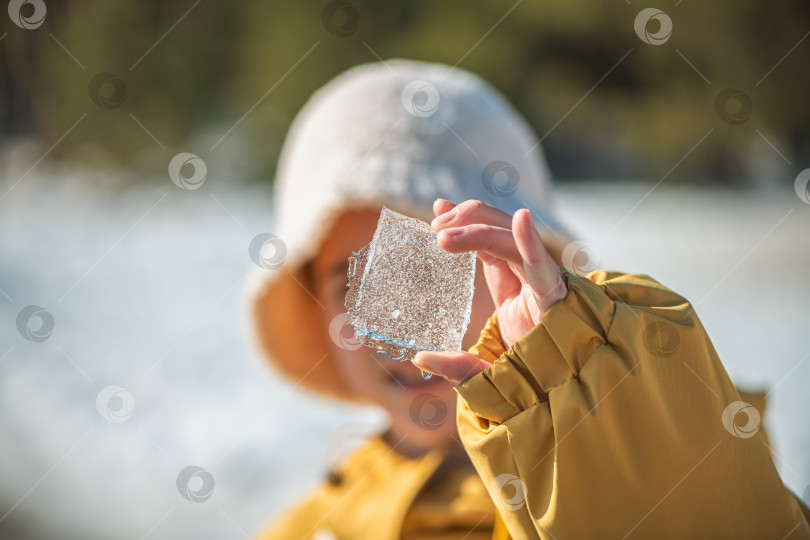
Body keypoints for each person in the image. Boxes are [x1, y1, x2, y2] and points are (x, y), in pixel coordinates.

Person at [248, 60, 810, 539]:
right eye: (353, 285)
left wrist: (598, 392)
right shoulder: (309, 527)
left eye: (438, 268)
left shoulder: (676, 457)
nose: (401, 325)